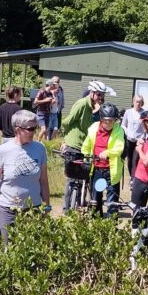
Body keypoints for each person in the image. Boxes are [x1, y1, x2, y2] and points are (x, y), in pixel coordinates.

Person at [0, 110, 49, 243]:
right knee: (7, 250)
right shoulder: (3, 150)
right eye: (30, 129)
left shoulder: (40, 149)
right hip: (8, 210)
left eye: (35, 128)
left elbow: (43, 181)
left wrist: (46, 206)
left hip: (33, 209)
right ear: (18, 130)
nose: (34, 132)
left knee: (32, 251)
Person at [61, 80, 110, 212]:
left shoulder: (97, 108)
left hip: (87, 147)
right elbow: (67, 122)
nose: (101, 98)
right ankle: (66, 209)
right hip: (74, 144)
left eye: (102, 95)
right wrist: (64, 140)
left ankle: (82, 201)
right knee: (71, 178)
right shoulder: (82, 104)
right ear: (92, 93)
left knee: (86, 175)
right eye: (99, 95)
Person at [80, 103, 125, 213]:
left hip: (111, 171)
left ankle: (111, 224)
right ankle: (97, 222)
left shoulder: (118, 130)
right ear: (101, 119)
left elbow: (119, 147)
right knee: (96, 199)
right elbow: (87, 145)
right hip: (97, 169)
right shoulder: (93, 128)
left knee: (112, 200)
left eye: (112, 120)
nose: (109, 123)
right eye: (106, 120)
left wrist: (108, 152)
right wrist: (85, 156)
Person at [121, 95, 146, 189]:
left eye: (140, 102)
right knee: (130, 160)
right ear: (133, 102)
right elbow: (123, 125)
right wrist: (127, 133)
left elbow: (146, 128)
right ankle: (131, 176)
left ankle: (133, 179)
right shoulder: (128, 112)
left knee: (136, 160)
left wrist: (143, 138)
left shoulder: (144, 113)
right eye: (136, 101)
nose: (138, 103)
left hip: (138, 141)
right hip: (129, 139)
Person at [47, 76, 65, 140]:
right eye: (54, 82)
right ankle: (48, 140)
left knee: (57, 127)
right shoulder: (49, 89)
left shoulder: (61, 89)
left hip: (58, 111)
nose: (56, 83)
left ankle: (51, 140)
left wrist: (61, 106)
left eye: (57, 82)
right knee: (49, 127)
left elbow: (62, 98)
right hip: (50, 112)